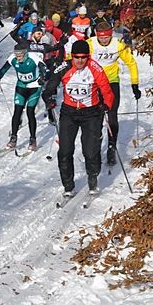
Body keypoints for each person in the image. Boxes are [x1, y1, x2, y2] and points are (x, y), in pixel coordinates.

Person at [42, 40, 115, 196]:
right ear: (72, 56)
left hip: (91, 113)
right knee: (65, 151)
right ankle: (68, 186)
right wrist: (48, 97)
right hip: (69, 113)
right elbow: (50, 86)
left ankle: (93, 178)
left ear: (87, 56)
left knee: (90, 151)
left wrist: (106, 106)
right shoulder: (64, 67)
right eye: (76, 57)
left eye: (83, 57)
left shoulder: (95, 68)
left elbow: (107, 91)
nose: (80, 61)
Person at [87, 21, 140, 165]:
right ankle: (96, 147)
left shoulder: (118, 44)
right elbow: (76, 57)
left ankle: (111, 146)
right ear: (96, 35)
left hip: (112, 82)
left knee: (112, 114)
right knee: (96, 116)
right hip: (95, 83)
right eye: (101, 37)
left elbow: (131, 63)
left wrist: (134, 84)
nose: (104, 40)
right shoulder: (90, 44)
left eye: (107, 37)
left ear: (111, 35)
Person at [0, 42, 47, 151]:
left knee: (30, 112)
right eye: (16, 54)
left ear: (25, 53)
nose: (17, 57)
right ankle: (13, 138)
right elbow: (4, 68)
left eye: (20, 55)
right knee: (17, 112)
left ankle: (33, 139)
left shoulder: (33, 57)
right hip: (21, 86)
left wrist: (43, 78)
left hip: (34, 87)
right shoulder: (13, 58)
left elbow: (45, 69)